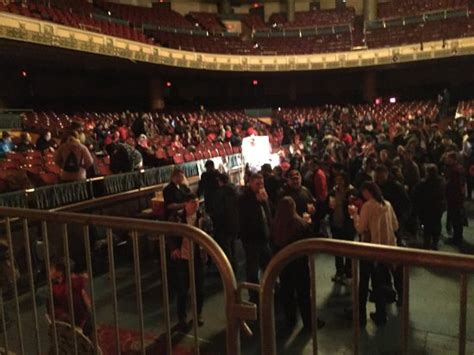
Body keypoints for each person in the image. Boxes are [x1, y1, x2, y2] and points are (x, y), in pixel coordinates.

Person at [348, 182, 398, 326]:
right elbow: (395, 225)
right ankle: (381, 314)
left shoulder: (368, 206)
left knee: (363, 283)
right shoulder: (387, 204)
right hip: (386, 250)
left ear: (368, 192)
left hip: (370, 249)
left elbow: (360, 228)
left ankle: (360, 316)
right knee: (380, 283)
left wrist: (354, 215)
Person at [271, 197, 325, 331]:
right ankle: (309, 322)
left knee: (287, 292)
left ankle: (291, 320)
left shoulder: (276, 224)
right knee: (304, 293)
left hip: (283, 264)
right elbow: (310, 240)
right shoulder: (299, 224)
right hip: (299, 264)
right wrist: (309, 223)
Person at [169, 194, 207, 331]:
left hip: (197, 258)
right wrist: (174, 248)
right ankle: (182, 318)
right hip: (183, 258)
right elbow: (169, 233)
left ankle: (198, 314)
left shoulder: (203, 217)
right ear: (185, 203)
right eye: (192, 203)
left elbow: (210, 233)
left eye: (197, 203)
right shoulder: (177, 218)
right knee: (182, 290)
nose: (195, 205)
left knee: (199, 289)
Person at [238, 173, 272, 304]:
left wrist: (265, 202)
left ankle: (269, 290)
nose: (260, 186)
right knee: (252, 269)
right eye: (257, 184)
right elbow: (244, 219)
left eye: (261, 184)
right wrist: (257, 202)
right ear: (251, 183)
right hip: (251, 239)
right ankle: (254, 296)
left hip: (264, 237)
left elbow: (269, 214)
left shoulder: (264, 196)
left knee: (268, 266)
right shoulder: (244, 199)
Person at [49, 257, 92, 336]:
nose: (49, 272)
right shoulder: (57, 286)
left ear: (60, 272)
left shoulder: (71, 285)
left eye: (52, 269)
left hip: (78, 321)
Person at [328, 172, 358, 283]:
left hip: (348, 224)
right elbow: (329, 205)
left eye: (341, 179)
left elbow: (356, 206)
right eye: (337, 179)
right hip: (336, 223)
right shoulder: (333, 191)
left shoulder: (352, 192)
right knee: (337, 249)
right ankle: (339, 271)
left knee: (349, 249)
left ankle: (348, 271)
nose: (339, 182)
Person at [413, 164, 446, 250]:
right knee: (437, 225)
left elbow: (416, 195)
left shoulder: (423, 183)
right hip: (438, 209)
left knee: (427, 228)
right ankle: (435, 242)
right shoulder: (441, 182)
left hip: (426, 209)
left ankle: (427, 245)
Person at [214, 173, 239, 267]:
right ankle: (234, 264)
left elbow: (218, 210)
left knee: (226, 246)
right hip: (235, 222)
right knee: (233, 244)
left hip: (224, 223)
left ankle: (228, 267)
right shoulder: (235, 190)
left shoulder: (220, 193)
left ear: (220, 181)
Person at [444, 152, 466, 246]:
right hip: (458, 198)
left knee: (456, 219)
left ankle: (457, 239)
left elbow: (453, 185)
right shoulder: (459, 169)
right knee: (457, 219)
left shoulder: (454, 171)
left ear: (453, 159)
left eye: (448, 158)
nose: (446, 160)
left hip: (454, 198)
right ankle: (458, 237)